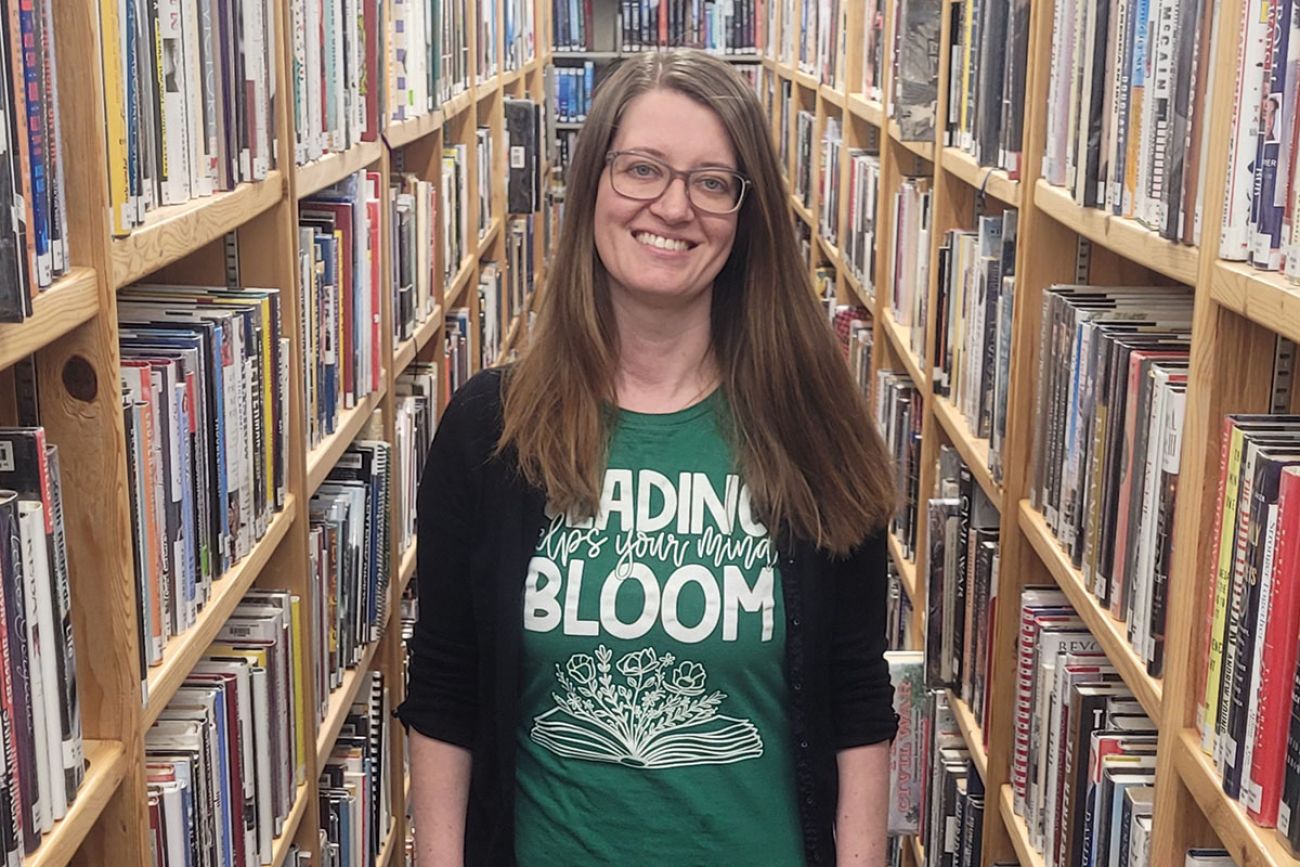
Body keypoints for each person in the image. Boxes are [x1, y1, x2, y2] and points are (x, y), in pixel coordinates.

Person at [397, 49, 899, 866]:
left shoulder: (813, 429)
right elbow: (446, 687)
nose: (673, 206)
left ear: (747, 214)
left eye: (712, 182)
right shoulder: (490, 430)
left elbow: (856, 697)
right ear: (592, 183)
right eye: (641, 169)